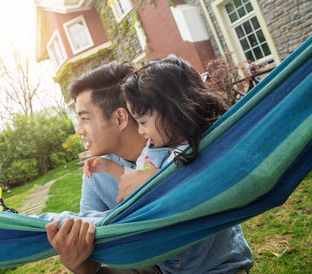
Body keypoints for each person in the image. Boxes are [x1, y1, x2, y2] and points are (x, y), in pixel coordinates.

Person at [46, 57, 254, 274]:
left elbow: (230, 179)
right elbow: (90, 233)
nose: (78, 130)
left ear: (120, 118)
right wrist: (79, 262)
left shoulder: (181, 142)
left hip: (215, 267)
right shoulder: (96, 171)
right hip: (162, 266)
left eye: (85, 119)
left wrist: (159, 184)